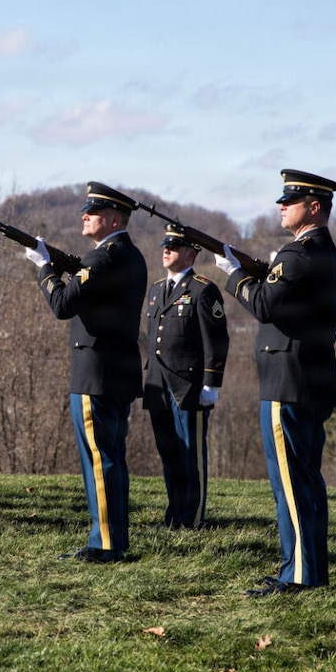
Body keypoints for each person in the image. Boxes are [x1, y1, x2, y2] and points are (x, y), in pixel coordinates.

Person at [215, 170, 336, 595]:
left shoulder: (297, 255)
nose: (281, 206)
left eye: (290, 201)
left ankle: (300, 574)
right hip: (309, 378)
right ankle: (306, 567)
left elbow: (264, 305)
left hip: (287, 381)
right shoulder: (325, 253)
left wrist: (235, 275)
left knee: (289, 484)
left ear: (314, 206)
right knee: (304, 480)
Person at [25, 182, 147, 562]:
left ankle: (105, 543)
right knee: (111, 457)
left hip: (96, 373)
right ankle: (112, 537)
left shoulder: (103, 259)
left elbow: (62, 305)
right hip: (117, 370)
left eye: (92, 213)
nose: (84, 216)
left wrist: (44, 267)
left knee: (99, 459)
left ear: (113, 219)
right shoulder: (130, 255)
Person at [142, 224, 229, 529]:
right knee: (169, 454)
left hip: (188, 386)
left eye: (174, 247)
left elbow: (216, 339)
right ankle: (174, 515)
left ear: (191, 254)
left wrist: (210, 383)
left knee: (191, 455)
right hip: (157, 385)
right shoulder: (156, 290)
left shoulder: (203, 289)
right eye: (165, 246)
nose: (166, 250)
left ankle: (192, 518)